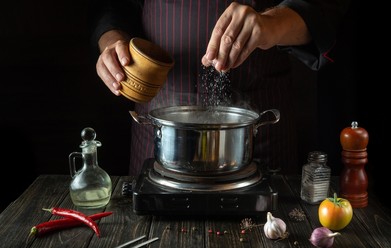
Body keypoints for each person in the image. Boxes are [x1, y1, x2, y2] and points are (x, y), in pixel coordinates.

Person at [92, 0, 351, 176]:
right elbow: (115, 7)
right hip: (161, 132)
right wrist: (112, 41)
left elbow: (325, 8)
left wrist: (270, 23)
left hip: (258, 131)